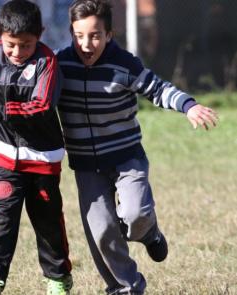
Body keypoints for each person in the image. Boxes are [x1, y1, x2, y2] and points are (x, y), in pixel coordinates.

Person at [56, 0, 218, 294]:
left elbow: (158, 89)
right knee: (102, 231)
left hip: (126, 157)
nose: (86, 43)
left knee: (136, 214)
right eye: (79, 35)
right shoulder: (61, 64)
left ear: (109, 35)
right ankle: (125, 288)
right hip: (86, 165)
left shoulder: (124, 64)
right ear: (71, 33)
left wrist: (188, 106)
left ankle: (150, 232)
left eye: (94, 35)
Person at [0, 1, 73, 294]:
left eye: (25, 45)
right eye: (10, 44)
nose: (16, 52)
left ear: (40, 35)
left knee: (47, 220)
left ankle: (58, 277)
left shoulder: (46, 62)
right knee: (0, 217)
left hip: (41, 157)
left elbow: (41, 106)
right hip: (4, 155)